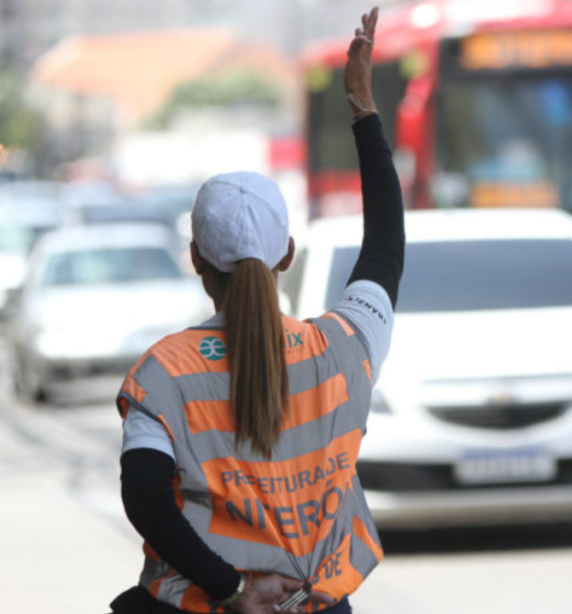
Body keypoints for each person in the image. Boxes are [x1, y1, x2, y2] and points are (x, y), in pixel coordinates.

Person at [110, 8, 403, 613]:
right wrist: (363, 110)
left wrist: (232, 589)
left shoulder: (163, 374)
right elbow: (384, 253)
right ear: (287, 256)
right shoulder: (343, 350)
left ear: (195, 258)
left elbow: (144, 496)